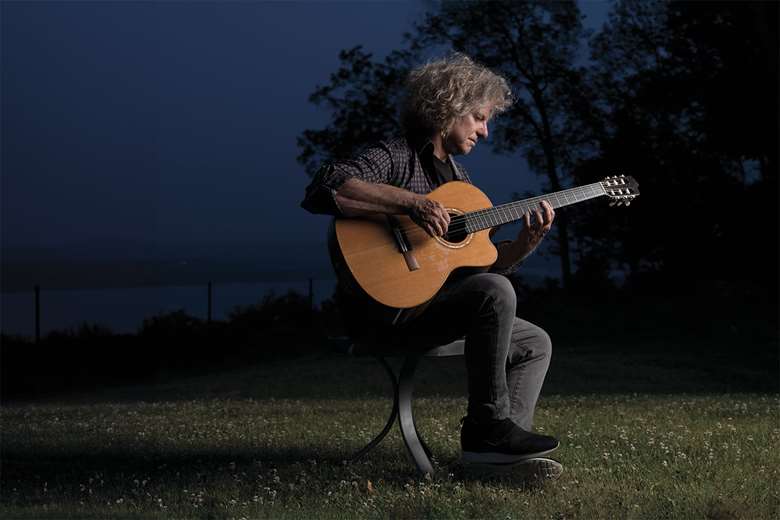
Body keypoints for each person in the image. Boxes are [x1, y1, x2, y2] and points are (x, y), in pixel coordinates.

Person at [301, 54, 561, 479]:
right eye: (479, 118)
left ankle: (496, 457)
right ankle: (487, 433)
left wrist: (524, 247)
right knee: (496, 293)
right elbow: (325, 185)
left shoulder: (462, 184)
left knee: (535, 342)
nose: (485, 131)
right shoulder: (396, 154)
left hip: (432, 309)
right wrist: (413, 202)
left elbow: (480, 270)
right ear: (450, 106)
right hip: (384, 313)